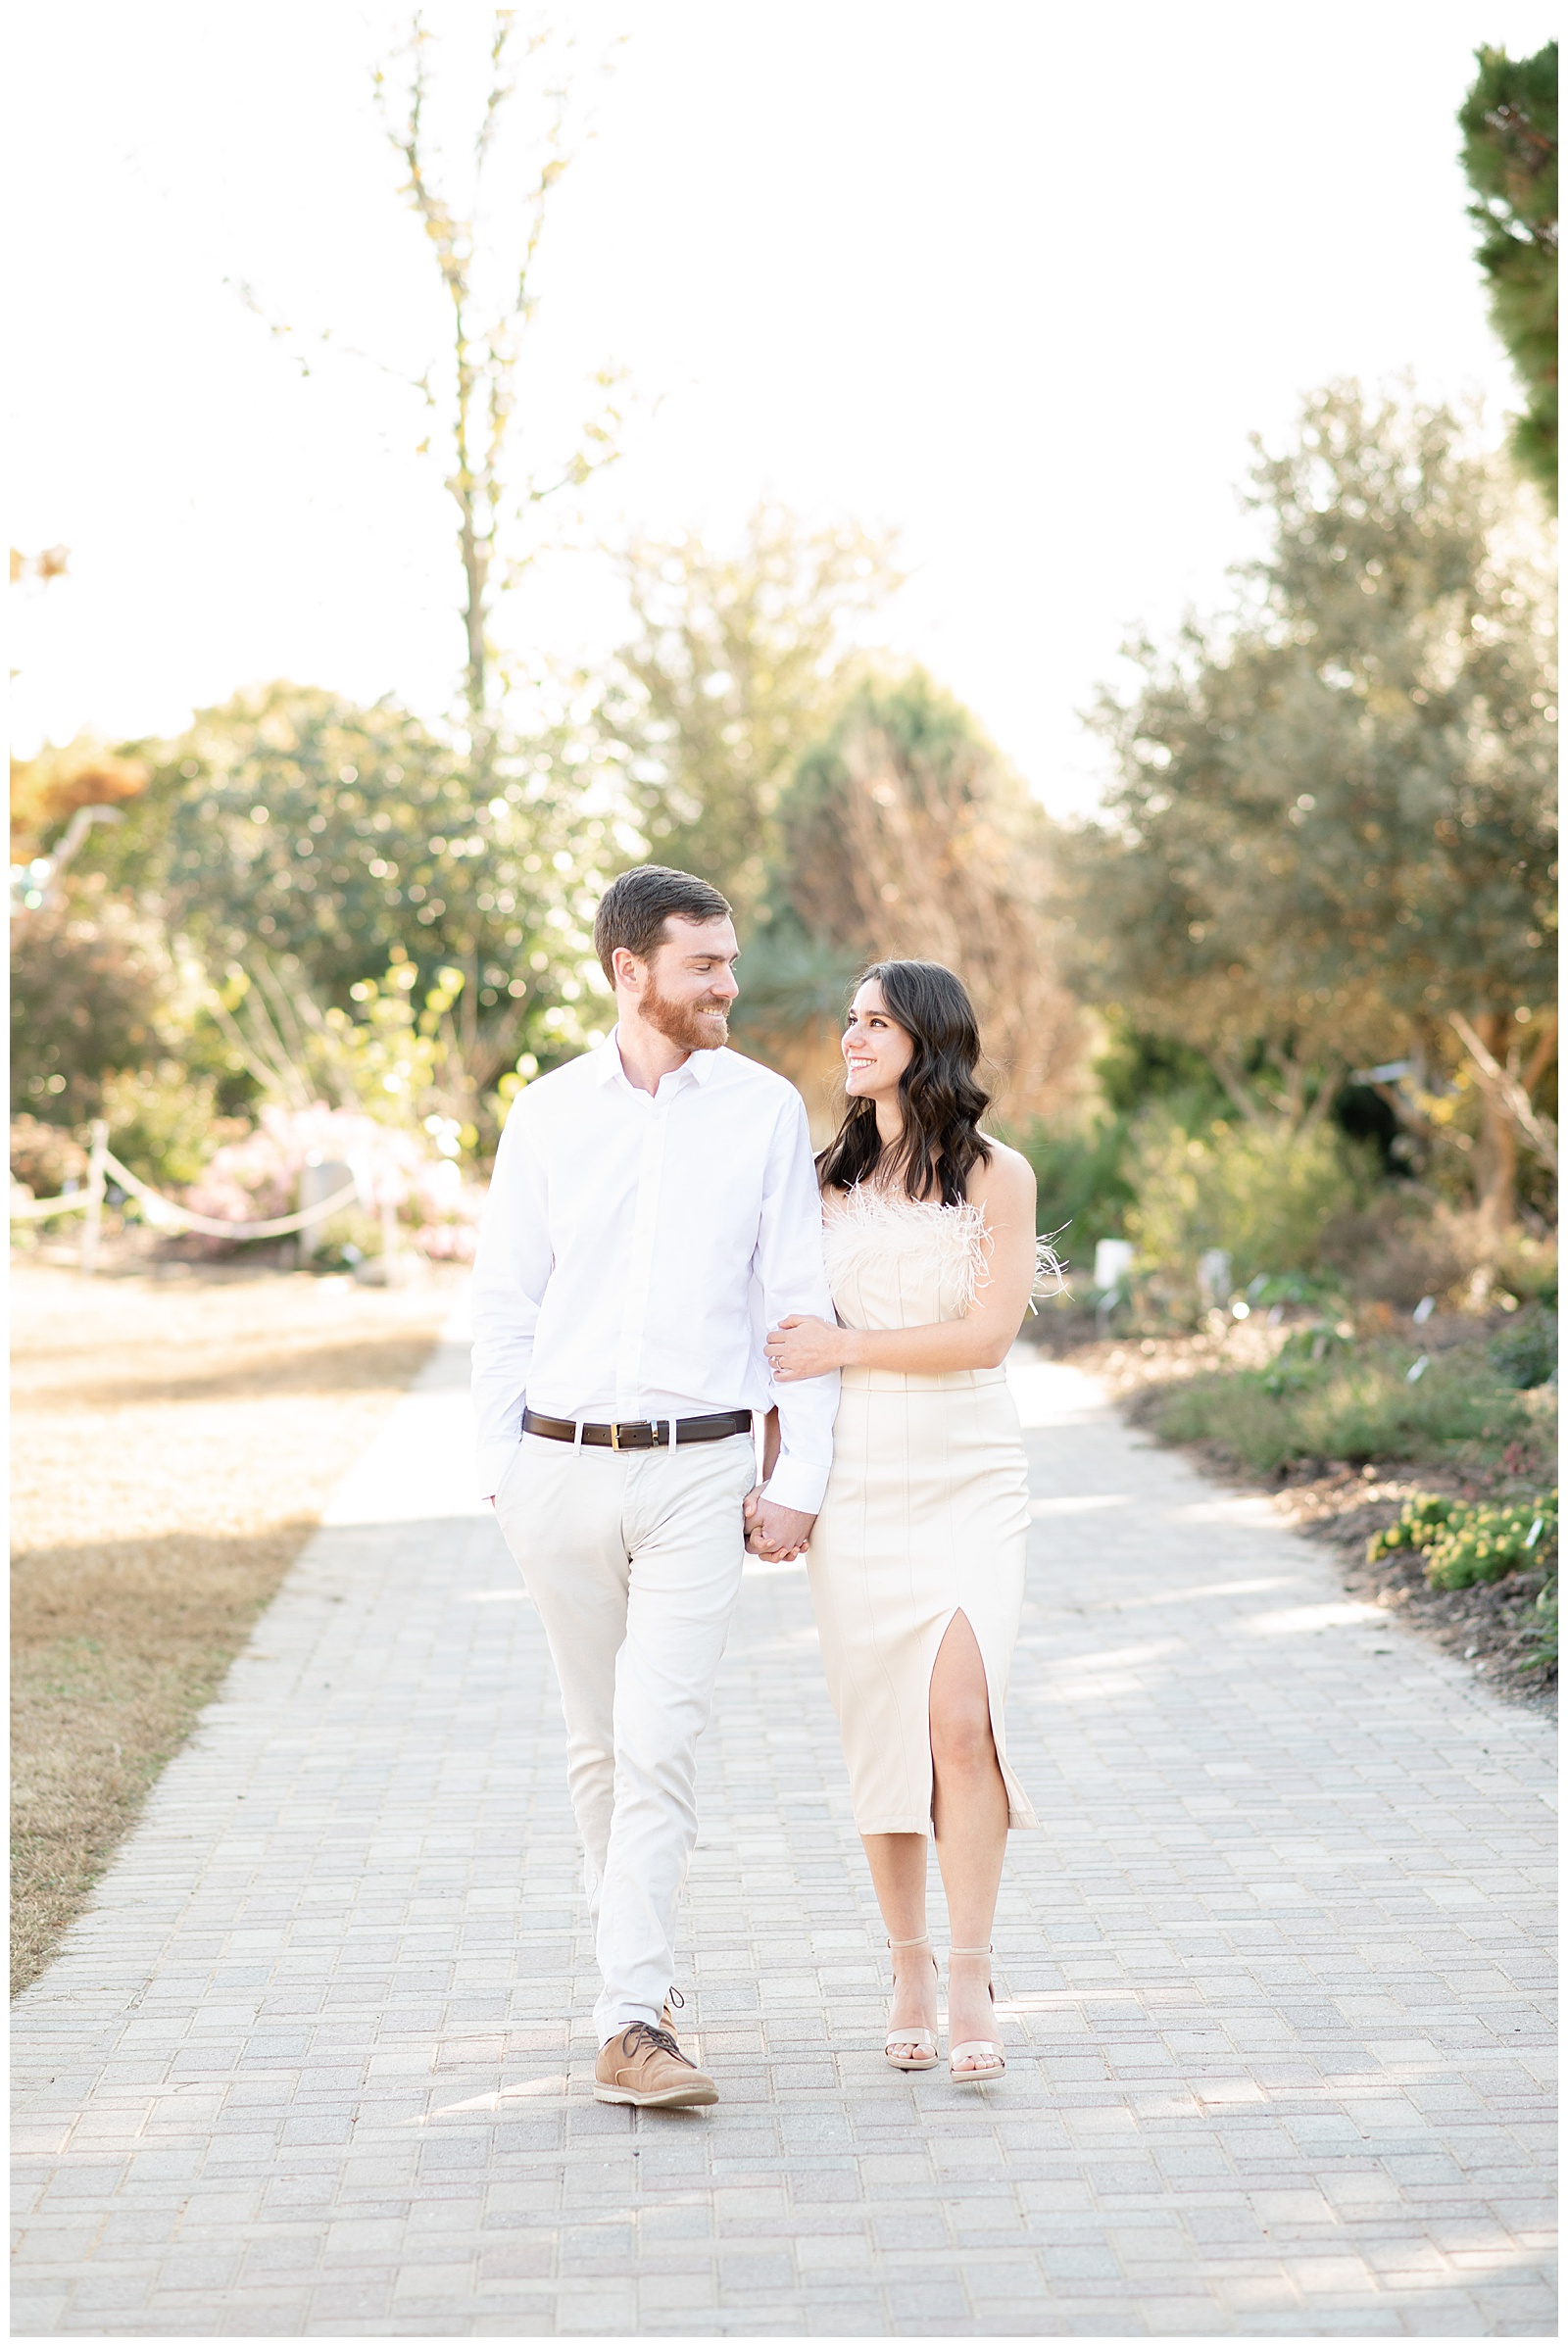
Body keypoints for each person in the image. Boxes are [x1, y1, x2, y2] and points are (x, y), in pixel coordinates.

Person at [470, 865, 838, 2110]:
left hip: (700, 1471)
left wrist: (801, 1473)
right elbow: (505, 1303)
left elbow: (797, 1303)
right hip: (557, 1469)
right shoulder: (547, 1113)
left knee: (657, 1738)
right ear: (630, 972)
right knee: (597, 1748)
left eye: (729, 961)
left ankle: (628, 2021)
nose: (729, 984)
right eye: (704, 965)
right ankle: (639, 1983)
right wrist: (503, 1468)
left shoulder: (764, 1109)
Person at [766, 959, 1052, 2084]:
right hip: (856, 1486)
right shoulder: (820, 1180)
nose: (851, 1036)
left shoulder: (996, 1173)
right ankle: (908, 1969)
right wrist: (778, 1477)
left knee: (961, 1724)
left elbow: (986, 1336)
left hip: (970, 1472)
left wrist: (846, 1345)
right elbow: (776, 1343)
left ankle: (972, 1972)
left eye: (875, 1021)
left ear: (926, 1038)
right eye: (849, 1019)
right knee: (883, 1731)